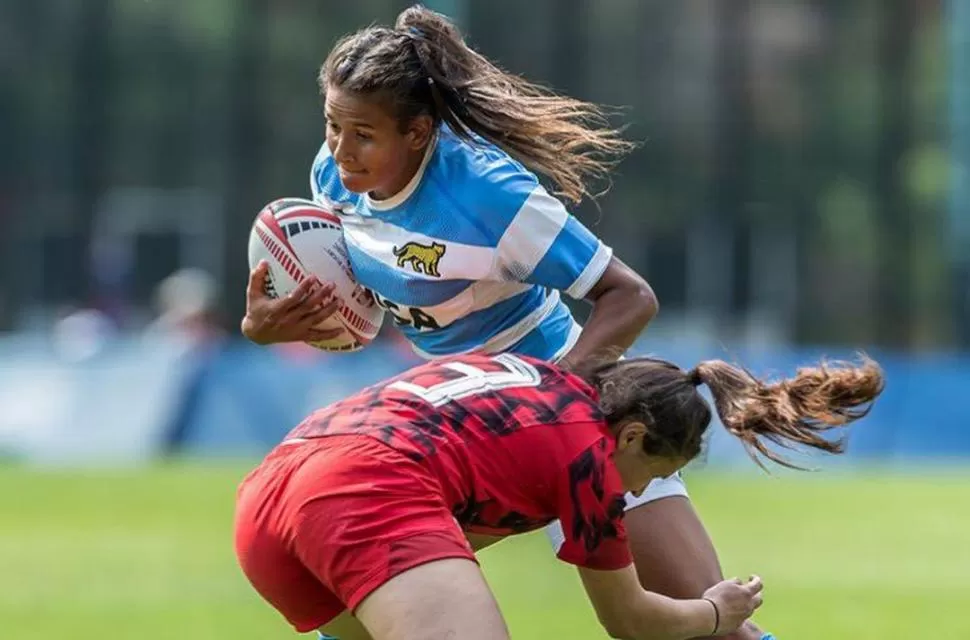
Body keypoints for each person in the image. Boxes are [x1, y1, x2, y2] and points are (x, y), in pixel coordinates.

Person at [238, 6, 748, 639]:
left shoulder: (488, 195)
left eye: (363, 133)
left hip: (578, 413)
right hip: (465, 428)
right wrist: (277, 326)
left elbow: (629, 296)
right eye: (331, 125)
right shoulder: (336, 177)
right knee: (366, 610)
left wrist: (555, 404)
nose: (341, 150)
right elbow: (363, 318)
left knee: (716, 625)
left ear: (420, 132)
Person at [234, 351, 884, 640]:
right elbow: (629, 622)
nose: (643, 491)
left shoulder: (545, 382)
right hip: (366, 491)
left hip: (270, 496)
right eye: (654, 474)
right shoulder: (591, 465)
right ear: (631, 436)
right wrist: (716, 612)